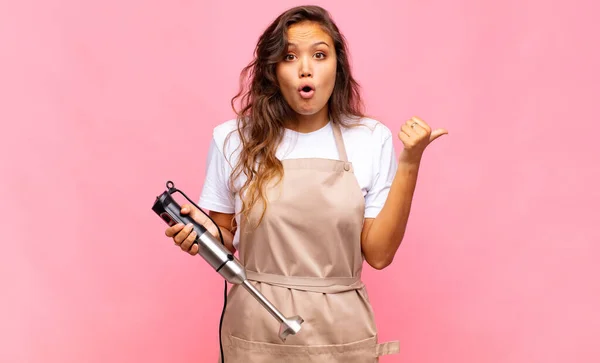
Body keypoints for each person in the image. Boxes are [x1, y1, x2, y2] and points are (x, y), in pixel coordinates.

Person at [165, 5, 447, 362]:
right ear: (273, 71)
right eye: (289, 56)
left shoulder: (369, 138)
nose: (305, 68)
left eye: (319, 54)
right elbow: (225, 238)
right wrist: (201, 235)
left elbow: (379, 254)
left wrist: (410, 161)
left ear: (337, 67)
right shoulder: (233, 139)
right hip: (256, 327)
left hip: (341, 330)